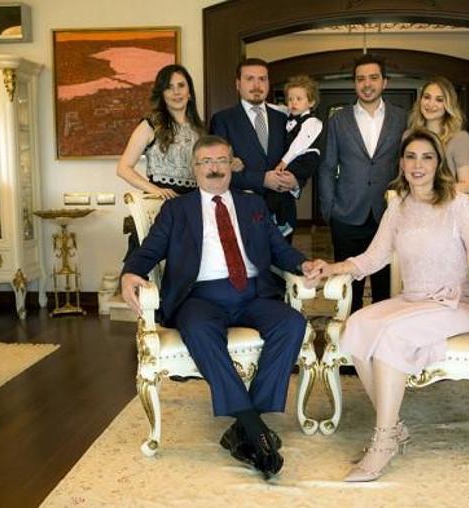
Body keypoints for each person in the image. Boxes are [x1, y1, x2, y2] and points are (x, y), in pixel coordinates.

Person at [121, 135, 324, 480]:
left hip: (254, 294)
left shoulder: (252, 203)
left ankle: (243, 428)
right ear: (195, 168)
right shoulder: (177, 210)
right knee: (198, 328)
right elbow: (149, 251)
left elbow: (279, 249)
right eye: (206, 162)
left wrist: (302, 264)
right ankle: (254, 426)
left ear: (232, 165)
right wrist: (130, 273)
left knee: (292, 323)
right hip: (200, 297)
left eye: (221, 160)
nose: (214, 168)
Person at [319, 129, 469, 482]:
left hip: (454, 303)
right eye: (411, 157)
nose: (418, 165)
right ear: (401, 163)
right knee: (356, 325)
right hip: (413, 300)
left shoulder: (456, 204)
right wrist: (334, 267)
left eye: (427, 157)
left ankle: (383, 441)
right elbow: (373, 257)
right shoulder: (398, 206)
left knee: (392, 336)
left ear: (438, 164)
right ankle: (396, 428)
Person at [318, 53, 407, 312]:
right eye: (361, 79)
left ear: (384, 82)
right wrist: (329, 210)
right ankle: (349, 333)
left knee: (384, 288)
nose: (367, 84)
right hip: (346, 215)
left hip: (388, 214)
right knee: (348, 290)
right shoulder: (338, 120)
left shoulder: (402, 118)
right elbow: (326, 166)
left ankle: (379, 335)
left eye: (373, 78)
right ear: (355, 83)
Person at [210, 58, 304, 241]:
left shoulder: (284, 119)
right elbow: (218, 170)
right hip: (242, 214)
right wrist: (262, 179)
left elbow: (300, 155)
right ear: (238, 84)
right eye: (249, 79)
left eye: (262, 79)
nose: (256, 85)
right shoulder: (222, 120)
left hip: (283, 215)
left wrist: (296, 180)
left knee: (283, 260)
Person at [117, 64, 204, 199]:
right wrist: (155, 190)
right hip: (162, 202)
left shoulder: (200, 129)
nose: (176, 92)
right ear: (162, 94)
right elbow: (123, 168)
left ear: (189, 92)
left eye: (181, 85)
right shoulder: (151, 125)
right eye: (169, 87)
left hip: (193, 201)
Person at [265, 74, 323, 237]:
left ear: (311, 102)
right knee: (281, 188)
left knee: (280, 182)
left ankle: (283, 222)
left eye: (298, 99)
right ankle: (282, 220)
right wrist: (264, 104)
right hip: (297, 159)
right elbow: (280, 108)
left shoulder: (312, 122)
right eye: (290, 99)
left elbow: (299, 144)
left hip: (306, 159)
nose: (293, 103)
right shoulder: (290, 115)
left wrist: (284, 161)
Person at [406, 76, 469, 193]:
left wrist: (430, 193)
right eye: (427, 97)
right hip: (413, 201)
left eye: (439, 100)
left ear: (448, 105)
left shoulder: (460, 138)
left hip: (446, 202)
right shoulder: (408, 136)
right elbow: (404, 178)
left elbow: (467, 186)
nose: (430, 104)